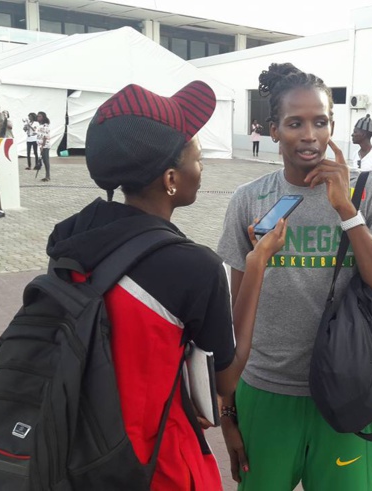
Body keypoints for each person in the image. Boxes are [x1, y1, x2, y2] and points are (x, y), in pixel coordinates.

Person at [47, 81, 287, 490]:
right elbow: (225, 380)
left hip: (82, 442)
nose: (202, 167)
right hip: (152, 463)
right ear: (171, 178)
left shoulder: (71, 237)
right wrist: (257, 262)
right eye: (197, 157)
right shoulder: (194, 267)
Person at [217, 62, 372, 491]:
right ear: (273, 130)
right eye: (294, 123)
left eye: (320, 121)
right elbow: (232, 322)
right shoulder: (249, 200)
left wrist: (347, 211)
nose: (309, 135)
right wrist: (228, 414)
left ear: (331, 126)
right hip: (266, 392)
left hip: (348, 391)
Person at [37, 111, 51, 181]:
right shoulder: (40, 125)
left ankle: (48, 176)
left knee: (46, 160)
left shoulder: (45, 126)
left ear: (43, 117)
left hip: (45, 145)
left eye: (40, 116)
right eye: (38, 116)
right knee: (44, 160)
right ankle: (47, 175)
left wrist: (42, 146)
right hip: (41, 145)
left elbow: (45, 136)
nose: (38, 117)